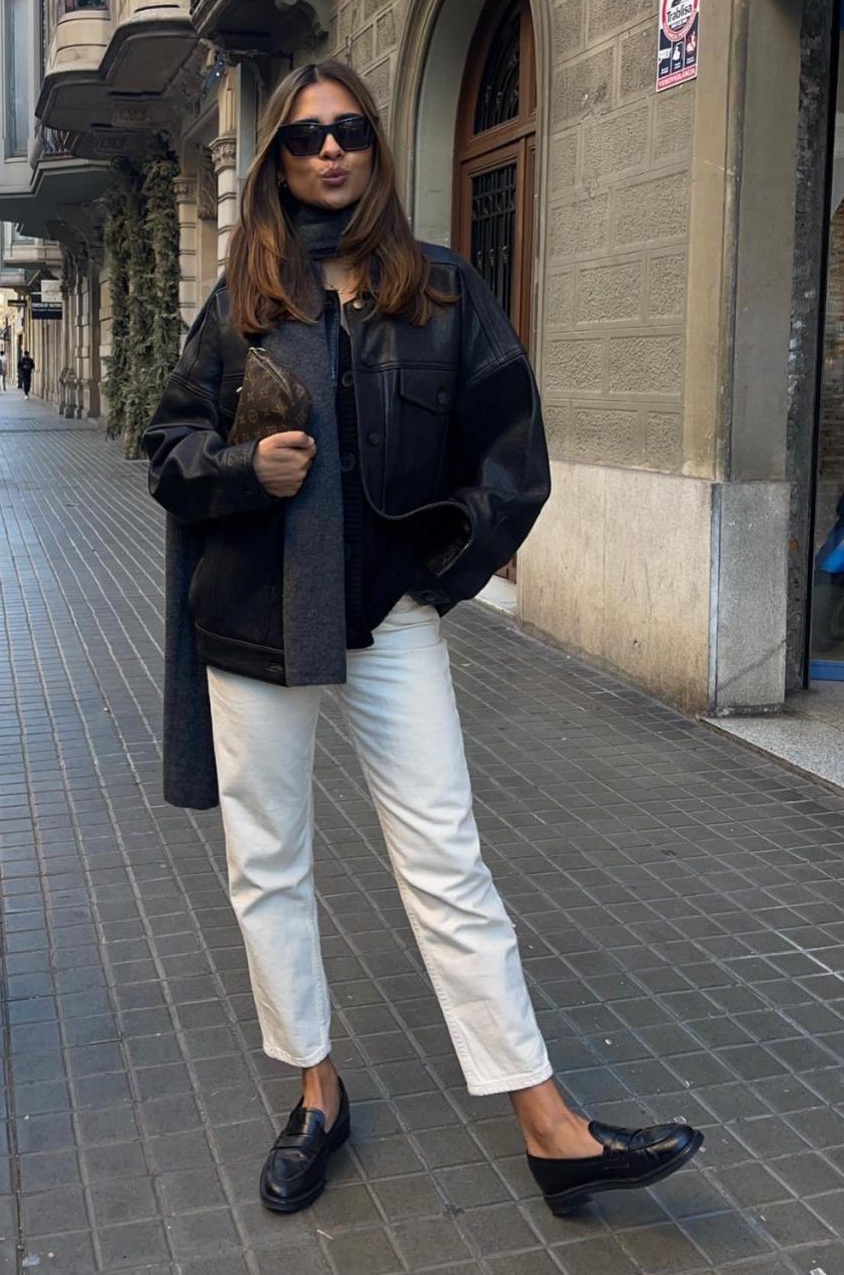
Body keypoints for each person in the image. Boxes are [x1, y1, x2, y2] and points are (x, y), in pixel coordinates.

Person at [143, 60, 701, 1220]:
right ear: (280, 162)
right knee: (270, 863)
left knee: (447, 860)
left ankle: (548, 1122)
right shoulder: (246, 294)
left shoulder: (440, 291)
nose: (329, 150)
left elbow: (515, 457)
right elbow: (167, 445)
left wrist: (437, 579)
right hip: (259, 615)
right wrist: (247, 466)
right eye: (305, 138)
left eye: (347, 130)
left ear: (375, 147)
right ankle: (315, 1089)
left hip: (389, 614)